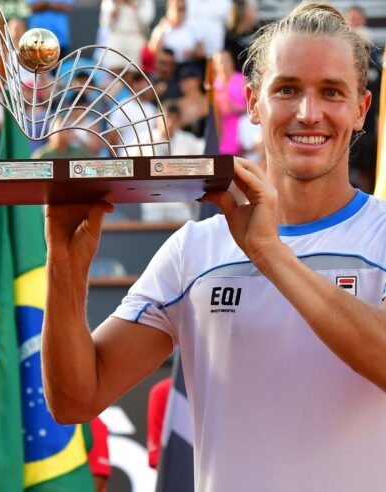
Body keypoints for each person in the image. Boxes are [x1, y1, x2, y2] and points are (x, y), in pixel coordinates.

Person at [41, 3, 386, 491]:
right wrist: (65, 267)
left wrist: (270, 254)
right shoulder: (195, 249)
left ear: (360, 109)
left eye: (331, 92)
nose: (309, 113)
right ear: (251, 101)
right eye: (287, 89)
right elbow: (75, 399)